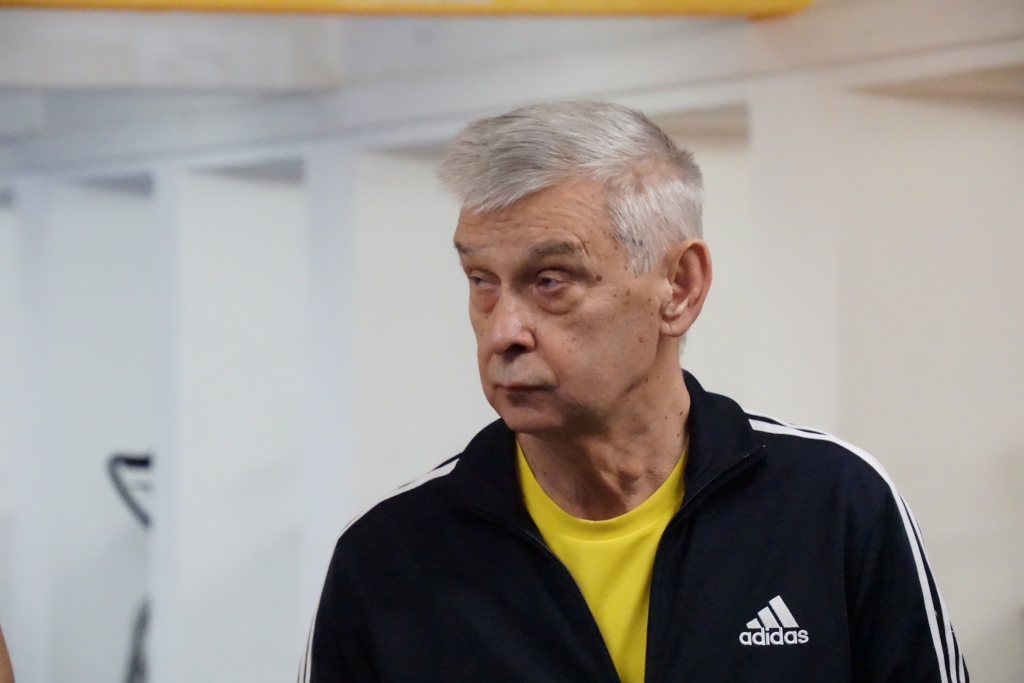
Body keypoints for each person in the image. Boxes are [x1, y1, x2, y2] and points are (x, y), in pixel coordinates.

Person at [303, 101, 967, 682]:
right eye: (482, 281)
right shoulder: (389, 556)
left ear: (679, 288)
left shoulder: (834, 505)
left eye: (550, 281)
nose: (503, 332)